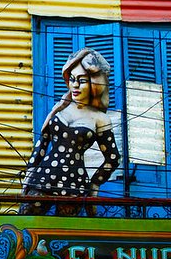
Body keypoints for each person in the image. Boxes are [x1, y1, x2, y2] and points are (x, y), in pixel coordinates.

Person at [19, 47, 121, 216]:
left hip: (74, 183)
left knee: (66, 229)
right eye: (72, 79)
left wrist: (95, 184)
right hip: (42, 177)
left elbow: (113, 158)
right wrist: (29, 173)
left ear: (95, 84)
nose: (75, 85)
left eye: (82, 80)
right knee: (25, 220)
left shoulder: (100, 119)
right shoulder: (60, 107)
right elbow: (42, 143)